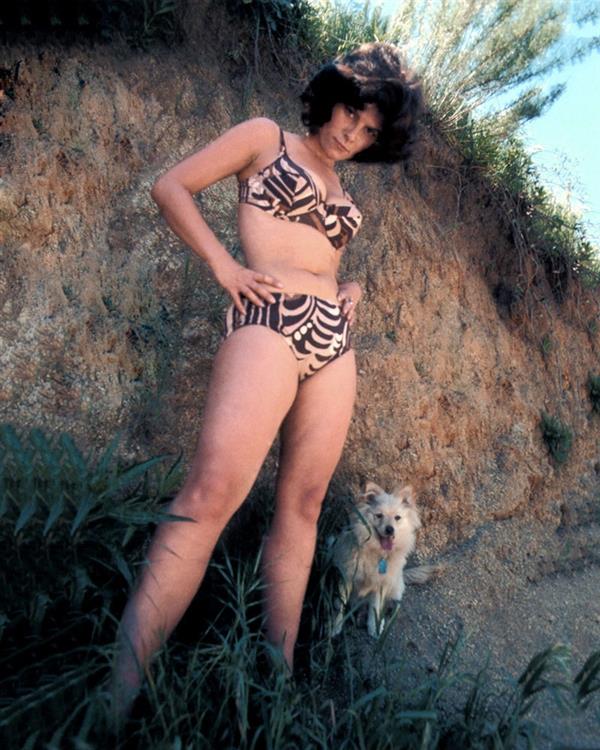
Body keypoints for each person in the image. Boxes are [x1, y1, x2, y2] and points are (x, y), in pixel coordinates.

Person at [111, 41, 422, 716]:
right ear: (331, 93)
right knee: (212, 490)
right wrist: (224, 268)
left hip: (333, 343)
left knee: (303, 508)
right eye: (350, 112)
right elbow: (172, 187)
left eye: (370, 130)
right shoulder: (264, 137)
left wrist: (354, 288)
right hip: (268, 317)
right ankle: (115, 698)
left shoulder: (345, 190)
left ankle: (271, 693)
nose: (352, 133)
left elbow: (322, 263)